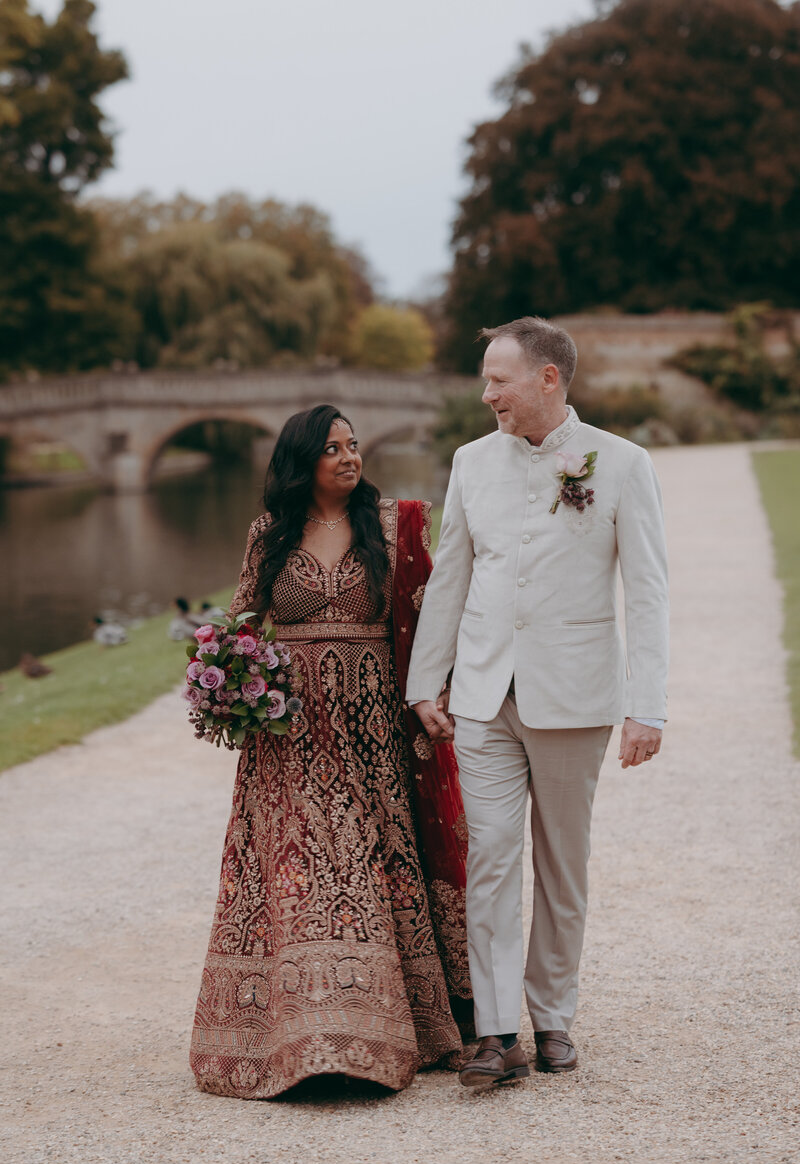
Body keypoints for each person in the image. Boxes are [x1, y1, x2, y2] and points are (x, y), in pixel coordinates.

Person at [407, 317, 668, 1089]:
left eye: (499, 380)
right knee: (488, 857)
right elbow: (451, 573)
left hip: (577, 697)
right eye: (486, 380)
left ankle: (553, 1017)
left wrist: (646, 706)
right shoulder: (469, 462)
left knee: (563, 864)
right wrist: (427, 681)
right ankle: (494, 1033)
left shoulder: (621, 465)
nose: (487, 395)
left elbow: (648, 593)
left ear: (548, 379)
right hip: (484, 698)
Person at [190, 404, 471, 1100]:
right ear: (302, 461)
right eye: (333, 448)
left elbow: (432, 614)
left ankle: (382, 1034)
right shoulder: (270, 534)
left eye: (354, 446)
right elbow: (241, 621)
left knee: (367, 864)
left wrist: (436, 694)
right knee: (306, 870)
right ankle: (310, 1043)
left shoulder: (389, 528)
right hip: (289, 738)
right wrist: (225, 674)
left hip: (373, 735)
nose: (351, 457)